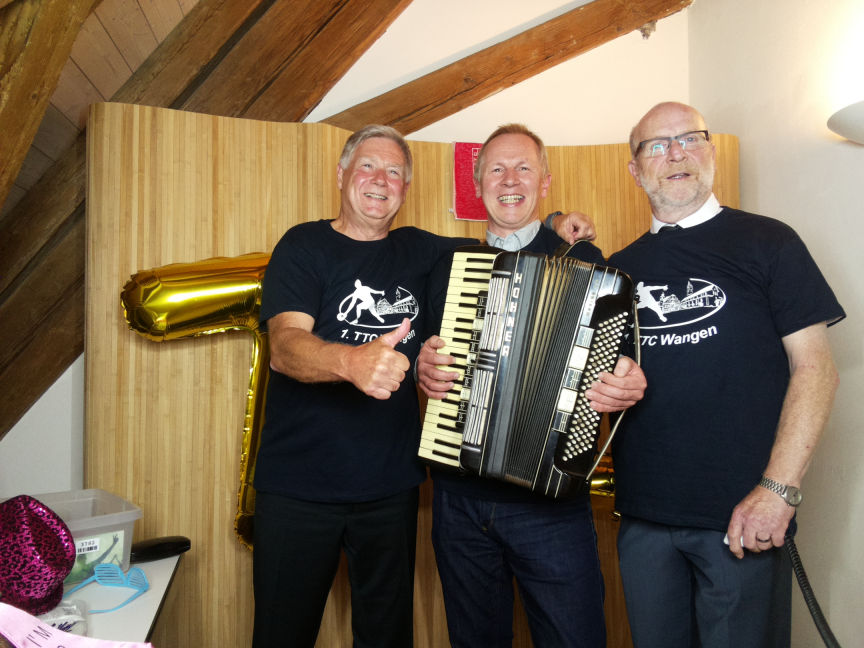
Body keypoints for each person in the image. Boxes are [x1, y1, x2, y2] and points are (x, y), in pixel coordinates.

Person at [251, 123, 593, 647]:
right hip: (300, 488)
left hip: (391, 489)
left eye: (394, 172)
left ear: (406, 189)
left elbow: (505, 232)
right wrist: (352, 362)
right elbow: (285, 348)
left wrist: (553, 220)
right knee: (282, 635)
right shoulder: (303, 244)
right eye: (367, 166)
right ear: (341, 174)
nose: (380, 180)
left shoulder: (425, 251)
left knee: (386, 637)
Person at [606, 102, 845, 647]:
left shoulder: (769, 241)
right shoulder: (617, 269)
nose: (677, 154)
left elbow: (816, 370)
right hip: (643, 519)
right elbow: (599, 387)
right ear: (635, 170)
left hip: (744, 518)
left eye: (690, 139)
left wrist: (778, 491)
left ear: (710, 151)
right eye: (657, 145)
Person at [416, 123, 647, 647]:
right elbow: (426, 354)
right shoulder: (450, 266)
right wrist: (422, 370)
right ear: (478, 184)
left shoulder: (584, 260)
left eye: (524, 168)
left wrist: (626, 381)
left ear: (545, 183)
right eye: (496, 169)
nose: (509, 180)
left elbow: (623, 364)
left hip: (552, 504)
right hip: (460, 500)